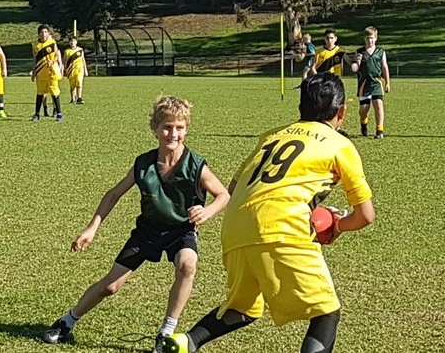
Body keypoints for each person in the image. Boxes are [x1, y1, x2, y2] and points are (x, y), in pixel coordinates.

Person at [165, 73, 376, 353]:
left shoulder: (271, 136)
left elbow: (234, 187)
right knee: (326, 312)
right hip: (283, 227)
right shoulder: (340, 144)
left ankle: (186, 341)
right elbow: (365, 215)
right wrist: (336, 225)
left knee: (245, 307)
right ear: (342, 111)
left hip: (236, 227)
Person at [43, 96, 230, 353]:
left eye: (179, 127)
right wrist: (92, 227)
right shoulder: (144, 164)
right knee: (110, 286)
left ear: (187, 129)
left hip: (181, 231)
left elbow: (224, 195)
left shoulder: (196, 165)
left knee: (187, 264)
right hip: (148, 232)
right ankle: (66, 322)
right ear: (154, 128)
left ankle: (166, 332)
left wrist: (207, 211)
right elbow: (113, 194)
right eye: (167, 127)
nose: (173, 133)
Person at [351, 26, 390, 139]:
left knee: (378, 105)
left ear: (376, 38)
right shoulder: (360, 52)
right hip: (364, 83)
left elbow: (384, 67)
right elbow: (355, 68)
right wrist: (357, 62)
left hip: (376, 82)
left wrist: (387, 82)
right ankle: (364, 122)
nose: (370, 41)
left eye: (372, 38)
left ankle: (379, 130)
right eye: (368, 38)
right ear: (364, 39)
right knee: (364, 109)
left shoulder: (380, 52)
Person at [311, 29, 349, 135]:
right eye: (327, 38)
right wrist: (317, 77)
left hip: (336, 82)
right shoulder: (319, 52)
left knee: (337, 103)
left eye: (332, 38)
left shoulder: (340, 51)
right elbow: (313, 67)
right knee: (321, 104)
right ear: (324, 39)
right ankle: (320, 124)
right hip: (323, 82)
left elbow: (349, 62)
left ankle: (337, 127)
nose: (329, 40)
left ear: (335, 39)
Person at [31, 24, 64, 122]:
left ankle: (59, 113)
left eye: (45, 32)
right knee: (40, 93)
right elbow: (34, 59)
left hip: (51, 72)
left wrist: (53, 62)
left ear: (48, 33)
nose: (43, 34)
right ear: (38, 34)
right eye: (41, 32)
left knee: (55, 93)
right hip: (40, 73)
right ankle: (37, 114)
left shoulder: (52, 43)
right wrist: (34, 72)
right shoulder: (35, 45)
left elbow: (57, 55)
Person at [64, 36, 89, 104]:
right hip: (71, 70)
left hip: (79, 69)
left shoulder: (80, 50)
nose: (72, 43)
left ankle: (79, 98)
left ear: (76, 42)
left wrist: (85, 69)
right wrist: (64, 70)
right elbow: (64, 61)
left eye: (74, 41)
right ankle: (73, 98)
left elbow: (83, 60)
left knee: (79, 82)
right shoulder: (67, 51)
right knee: (72, 85)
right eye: (71, 41)